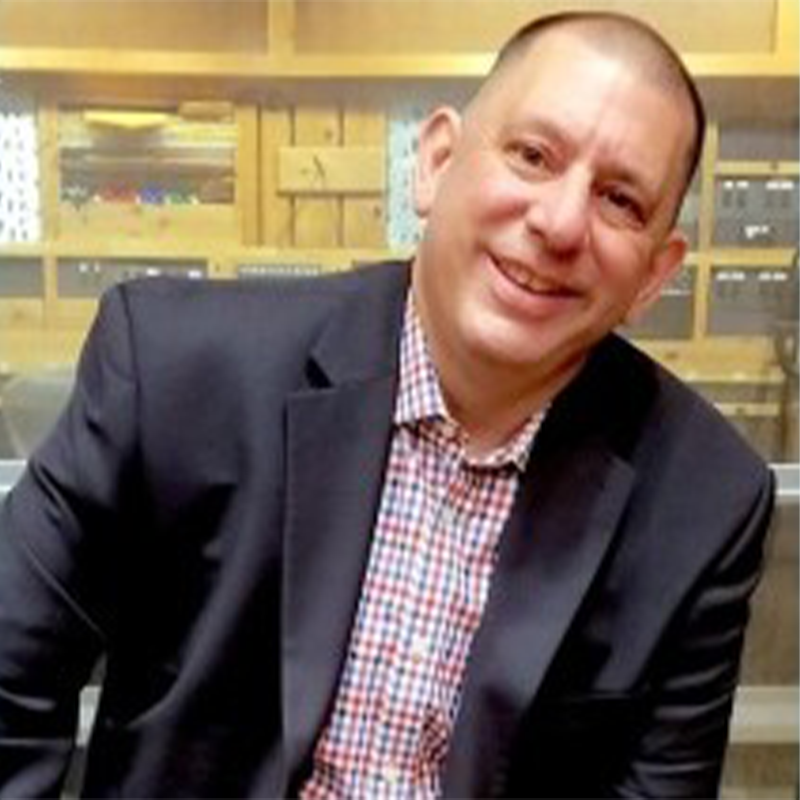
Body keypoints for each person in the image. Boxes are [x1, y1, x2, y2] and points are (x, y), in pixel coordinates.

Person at [0, 11, 774, 799]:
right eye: (533, 156)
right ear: (436, 162)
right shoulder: (173, 367)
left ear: (654, 274)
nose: (561, 222)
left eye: (620, 200)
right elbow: (9, 676)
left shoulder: (705, 502)